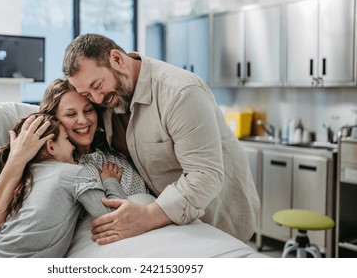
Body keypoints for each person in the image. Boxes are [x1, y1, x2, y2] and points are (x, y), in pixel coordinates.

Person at [62, 33, 260, 244]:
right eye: (88, 94)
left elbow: (204, 176)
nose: (98, 99)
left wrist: (147, 216)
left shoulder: (180, 93)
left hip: (217, 218)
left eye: (98, 85)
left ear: (117, 59)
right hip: (172, 226)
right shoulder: (107, 103)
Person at [0, 112, 126, 257]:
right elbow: (113, 217)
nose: (72, 146)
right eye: (67, 140)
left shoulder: (19, 180)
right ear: (51, 146)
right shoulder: (73, 173)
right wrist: (110, 181)